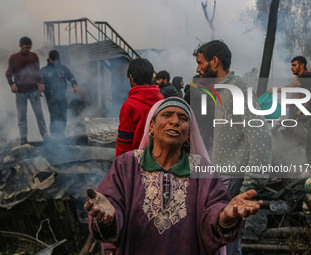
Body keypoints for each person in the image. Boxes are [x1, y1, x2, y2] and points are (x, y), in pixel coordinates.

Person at [84, 97, 263, 255]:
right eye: (167, 115)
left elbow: (215, 208)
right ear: (151, 127)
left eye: (182, 118)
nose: (175, 121)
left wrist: (225, 215)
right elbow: (111, 204)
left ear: (187, 136)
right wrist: (107, 216)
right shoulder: (126, 164)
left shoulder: (202, 170)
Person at [193, 40, 271, 255]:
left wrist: (251, 183)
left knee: (225, 240)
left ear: (214, 61)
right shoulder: (224, 90)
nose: (198, 68)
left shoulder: (237, 90)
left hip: (232, 178)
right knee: (222, 237)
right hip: (223, 176)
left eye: (200, 62)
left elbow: (261, 135)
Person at [116, 58, 163, 157]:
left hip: (138, 162)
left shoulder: (129, 106)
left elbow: (124, 143)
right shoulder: (162, 101)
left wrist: (120, 166)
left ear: (131, 78)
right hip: (160, 159)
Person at [5, 36, 48, 145]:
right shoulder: (14, 57)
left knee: (39, 114)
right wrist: (12, 84)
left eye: (30, 47)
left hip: (34, 90)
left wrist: (41, 83)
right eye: (26, 47)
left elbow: (38, 71)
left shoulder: (34, 56)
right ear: (20, 46)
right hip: (20, 92)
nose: (28, 50)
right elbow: (9, 73)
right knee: (22, 117)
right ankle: (24, 139)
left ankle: (45, 136)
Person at [41, 50, 80, 139]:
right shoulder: (44, 70)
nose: (56, 62)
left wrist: (75, 86)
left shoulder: (63, 68)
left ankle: (61, 135)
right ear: (50, 59)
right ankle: (54, 136)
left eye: (57, 60)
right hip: (50, 96)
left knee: (63, 115)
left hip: (62, 95)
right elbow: (39, 80)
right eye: (54, 60)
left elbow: (71, 77)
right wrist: (40, 86)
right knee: (55, 116)